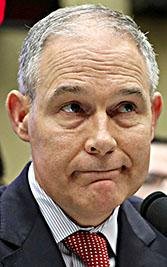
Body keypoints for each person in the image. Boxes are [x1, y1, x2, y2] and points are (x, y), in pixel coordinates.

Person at [1, 4, 166, 267]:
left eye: (126, 107)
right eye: (73, 108)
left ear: (153, 118)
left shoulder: (162, 233)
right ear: (21, 117)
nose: (102, 140)